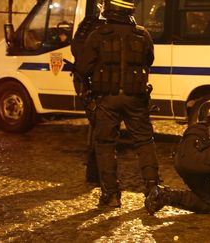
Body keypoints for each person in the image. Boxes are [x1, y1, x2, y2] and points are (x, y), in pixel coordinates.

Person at [76, 0, 160, 207]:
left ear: (109, 9)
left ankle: (111, 194)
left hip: (106, 99)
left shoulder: (97, 35)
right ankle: (153, 191)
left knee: (105, 144)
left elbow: (84, 68)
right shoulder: (143, 35)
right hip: (136, 98)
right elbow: (149, 60)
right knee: (144, 142)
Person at [71, 5, 105, 185]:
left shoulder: (89, 23)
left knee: (98, 125)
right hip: (90, 83)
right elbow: (78, 50)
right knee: (100, 126)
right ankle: (96, 173)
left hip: (88, 82)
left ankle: (95, 172)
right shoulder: (93, 24)